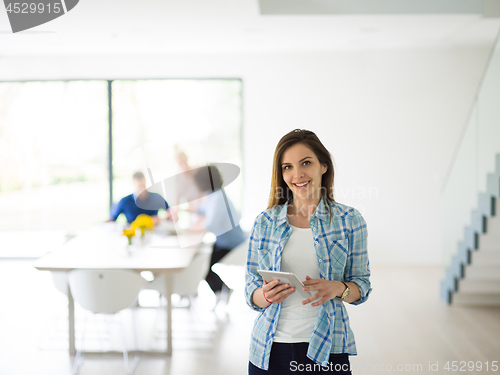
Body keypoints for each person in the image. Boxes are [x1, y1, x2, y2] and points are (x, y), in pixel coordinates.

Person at [245, 129, 372, 375]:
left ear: (323, 165)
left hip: (328, 347)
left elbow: (362, 287)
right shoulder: (265, 222)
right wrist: (266, 295)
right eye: (287, 167)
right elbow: (250, 292)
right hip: (270, 349)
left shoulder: (349, 220)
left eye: (306, 163)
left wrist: (339, 288)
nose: (297, 174)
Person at [189, 165, 246, 298]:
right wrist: (180, 210)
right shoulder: (214, 195)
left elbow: (208, 224)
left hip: (232, 245)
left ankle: (222, 291)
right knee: (198, 258)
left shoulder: (218, 197)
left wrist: (186, 229)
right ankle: (222, 290)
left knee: (201, 265)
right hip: (223, 242)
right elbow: (201, 209)